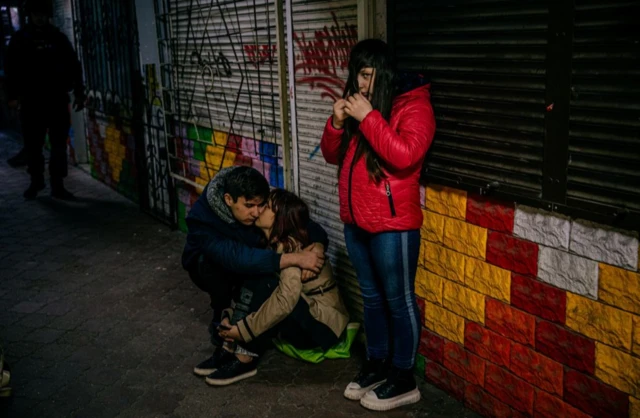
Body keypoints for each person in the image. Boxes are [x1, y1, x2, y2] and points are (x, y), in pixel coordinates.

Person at [320, 38, 436, 411]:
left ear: (383, 74)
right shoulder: (360, 108)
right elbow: (330, 155)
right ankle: (378, 364)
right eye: (358, 74)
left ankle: (404, 377)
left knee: (399, 301)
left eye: (369, 75)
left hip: (393, 225)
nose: (361, 83)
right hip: (356, 221)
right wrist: (337, 123)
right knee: (371, 298)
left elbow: (404, 156)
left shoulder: (415, 105)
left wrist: (369, 116)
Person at [182, 166, 328, 378]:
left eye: (261, 205)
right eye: (249, 206)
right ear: (229, 199)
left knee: (262, 279)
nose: (257, 212)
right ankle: (226, 327)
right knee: (217, 267)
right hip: (213, 269)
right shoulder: (201, 218)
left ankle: (242, 352)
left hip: (256, 269)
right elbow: (236, 258)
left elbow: (305, 224)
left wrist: (317, 248)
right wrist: (296, 258)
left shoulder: (260, 202)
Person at [210, 188, 349, 385]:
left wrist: (244, 330)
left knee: (268, 284)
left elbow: (286, 300)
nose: (258, 210)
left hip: (323, 327)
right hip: (307, 316)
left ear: (280, 217)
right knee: (257, 272)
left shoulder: (290, 245)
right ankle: (230, 346)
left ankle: (245, 356)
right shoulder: (267, 242)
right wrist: (234, 316)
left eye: (266, 207)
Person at [5, 0, 86, 199]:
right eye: (35, 14)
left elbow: (73, 65)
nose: (39, 18)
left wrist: (79, 92)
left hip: (56, 99)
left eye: (42, 14)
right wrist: (12, 96)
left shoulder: (57, 38)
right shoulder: (20, 39)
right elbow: (11, 70)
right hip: (32, 102)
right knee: (34, 146)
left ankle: (57, 185)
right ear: (30, 16)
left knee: (58, 146)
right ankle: (37, 181)